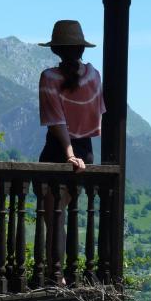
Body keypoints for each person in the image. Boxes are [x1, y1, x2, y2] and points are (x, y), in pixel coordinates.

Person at [38, 20, 106, 280]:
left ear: (56, 50)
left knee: (53, 218)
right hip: (86, 152)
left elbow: (57, 121)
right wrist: (79, 154)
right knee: (61, 215)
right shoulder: (94, 76)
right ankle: (60, 273)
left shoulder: (49, 78)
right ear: (81, 49)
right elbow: (96, 116)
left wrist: (68, 154)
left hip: (58, 152)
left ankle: (56, 276)